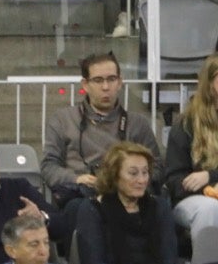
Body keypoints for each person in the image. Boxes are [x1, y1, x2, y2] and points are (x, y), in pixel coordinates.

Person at [42, 51, 162, 224]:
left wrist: (128, 182)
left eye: (111, 79)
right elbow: (48, 167)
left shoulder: (137, 123)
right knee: (79, 208)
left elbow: (156, 167)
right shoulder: (63, 119)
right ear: (85, 84)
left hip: (129, 196)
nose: (106, 87)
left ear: (120, 83)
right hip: (83, 196)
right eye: (98, 80)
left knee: (160, 206)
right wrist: (76, 179)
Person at [75, 142, 178, 264]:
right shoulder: (92, 208)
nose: (141, 180)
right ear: (114, 175)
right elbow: (93, 263)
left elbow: (169, 258)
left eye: (145, 172)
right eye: (133, 173)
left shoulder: (159, 206)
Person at [164, 52, 218, 243]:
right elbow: (175, 181)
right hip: (193, 199)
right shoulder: (186, 124)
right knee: (209, 209)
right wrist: (208, 187)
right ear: (209, 85)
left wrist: (210, 175)